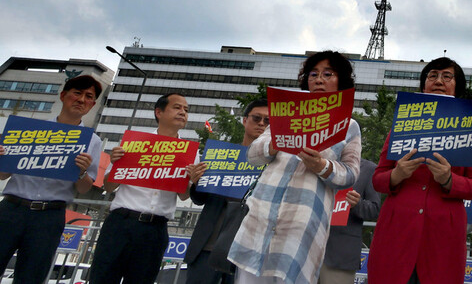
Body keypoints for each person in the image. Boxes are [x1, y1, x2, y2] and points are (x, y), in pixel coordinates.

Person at [229, 51, 361, 284]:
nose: (319, 79)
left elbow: (350, 173)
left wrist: (322, 166)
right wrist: (275, 143)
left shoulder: (349, 124)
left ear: (341, 81)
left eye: (328, 74)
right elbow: (252, 155)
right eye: (314, 74)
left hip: (302, 225)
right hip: (260, 217)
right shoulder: (285, 112)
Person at [368, 57, 472, 284]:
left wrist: (449, 180)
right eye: (432, 76)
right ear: (423, 85)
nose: (439, 81)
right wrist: (396, 175)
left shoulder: (470, 132)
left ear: (456, 88)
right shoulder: (400, 128)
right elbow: (377, 179)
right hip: (397, 233)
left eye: (447, 76)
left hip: (443, 238)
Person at [89, 93, 206, 284]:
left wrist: (194, 181)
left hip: (155, 230)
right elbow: (108, 186)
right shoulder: (134, 143)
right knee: (102, 278)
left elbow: (184, 196)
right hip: (121, 224)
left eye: (186, 110)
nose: (183, 113)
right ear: (158, 112)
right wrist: (116, 164)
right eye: (177, 107)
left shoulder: (190, 153)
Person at [0, 75, 104, 284]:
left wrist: (82, 172)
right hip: (11, 209)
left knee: (32, 276)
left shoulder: (92, 141)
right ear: (63, 95)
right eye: (77, 93)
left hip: (49, 216)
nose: (81, 99)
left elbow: (84, 189)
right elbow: (3, 174)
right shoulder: (29, 130)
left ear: (92, 105)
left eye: (88, 96)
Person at [184, 99, 270, 284]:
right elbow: (200, 199)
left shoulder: (275, 165)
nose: (262, 123)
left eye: (268, 121)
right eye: (257, 118)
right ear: (245, 120)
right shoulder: (220, 155)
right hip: (208, 246)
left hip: (248, 251)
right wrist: (197, 181)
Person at [319, 157, 381, 284]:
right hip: (308, 249)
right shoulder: (319, 162)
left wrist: (357, 204)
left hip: (340, 255)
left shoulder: (368, 169)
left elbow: (374, 210)